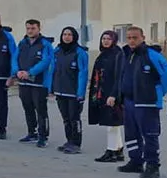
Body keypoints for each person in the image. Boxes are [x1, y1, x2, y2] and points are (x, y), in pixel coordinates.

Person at [115, 26, 167, 178]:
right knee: (131, 134)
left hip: (147, 102)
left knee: (150, 135)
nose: (132, 41)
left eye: (135, 37)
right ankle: (135, 161)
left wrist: (157, 93)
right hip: (129, 101)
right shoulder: (127, 54)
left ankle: (153, 166)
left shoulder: (152, 55)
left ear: (143, 37)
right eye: (129, 37)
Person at [49, 26, 89, 154]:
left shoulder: (79, 52)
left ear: (74, 37)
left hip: (73, 93)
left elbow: (83, 73)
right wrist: (51, 88)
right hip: (60, 90)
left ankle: (76, 143)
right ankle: (69, 141)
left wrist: (80, 93)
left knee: (74, 118)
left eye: (69, 34)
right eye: (64, 34)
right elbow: (52, 70)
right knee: (66, 118)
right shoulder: (57, 51)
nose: (66, 37)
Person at [15, 19, 54, 146]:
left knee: (41, 110)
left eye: (33, 28)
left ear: (39, 28)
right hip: (24, 82)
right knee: (28, 108)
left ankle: (43, 136)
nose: (30, 31)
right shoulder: (22, 43)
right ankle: (32, 133)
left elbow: (46, 61)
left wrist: (30, 72)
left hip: (39, 83)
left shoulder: (45, 44)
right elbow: (15, 58)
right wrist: (17, 71)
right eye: (28, 28)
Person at [88, 30, 126, 162]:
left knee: (112, 123)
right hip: (101, 93)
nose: (105, 41)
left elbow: (119, 76)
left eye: (108, 39)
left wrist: (114, 95)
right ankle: (119, 149)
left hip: (112, 93)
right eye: (103, 38)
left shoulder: (117, 54)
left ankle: (111, 151)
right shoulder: (103, 54)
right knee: (112, 123)